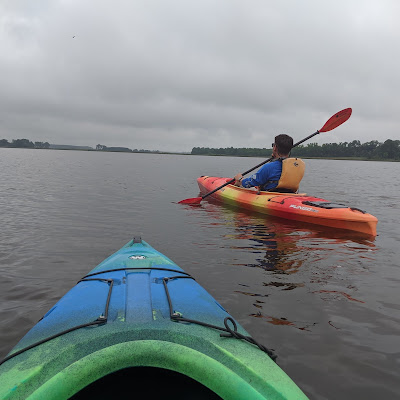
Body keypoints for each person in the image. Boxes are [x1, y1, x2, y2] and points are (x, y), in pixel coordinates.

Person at [234, 134, 305, 193]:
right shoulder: (296, 166)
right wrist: (274, 160)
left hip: (270, 195)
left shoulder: (269, 167)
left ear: (275, 148)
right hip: (290, 195)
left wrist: (240, 179)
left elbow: (249, 183)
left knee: (241, 186)